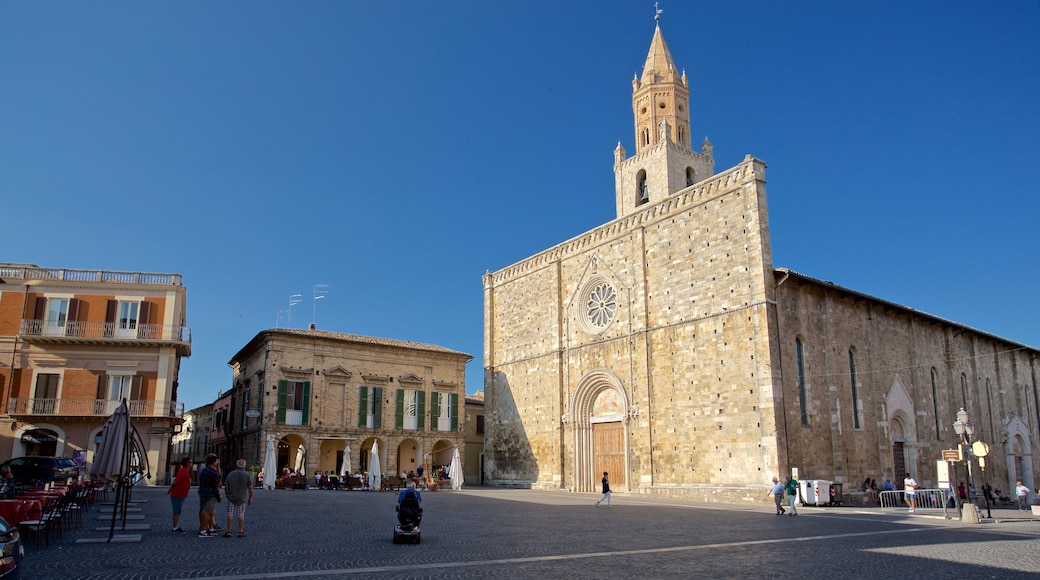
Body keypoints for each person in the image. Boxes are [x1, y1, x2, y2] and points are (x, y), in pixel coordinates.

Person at [223, 459, 254, 537]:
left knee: (230, 514)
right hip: (242, 497)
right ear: (244, 466)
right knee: (241, 514)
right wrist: (250, 497)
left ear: (236, 465)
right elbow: (250, 488)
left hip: (231, 497)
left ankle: (229, 531)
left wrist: (227, 494)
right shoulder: (247, 475)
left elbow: (226, 486)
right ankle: (240, 531)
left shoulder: (231, 474)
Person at [197, 454, 222, 537]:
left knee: (209, 511)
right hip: (210, 493)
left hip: (203, 492)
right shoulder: (213, 472)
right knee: (208, 511)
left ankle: (209, 528)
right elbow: (219, 484)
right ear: (214, 462)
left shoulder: (204, 470)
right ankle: (203, 530)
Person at [166, 457, 191, 534]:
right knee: (176, 510)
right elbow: (175, 482)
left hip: (181, 494)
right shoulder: (183, 471)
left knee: (178, 510)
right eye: (190, 462)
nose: (191, 464)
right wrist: (169, 490)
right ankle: (175, 527)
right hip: (177, 494)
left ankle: (176, 526)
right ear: (187, 463)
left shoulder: (185, 471)